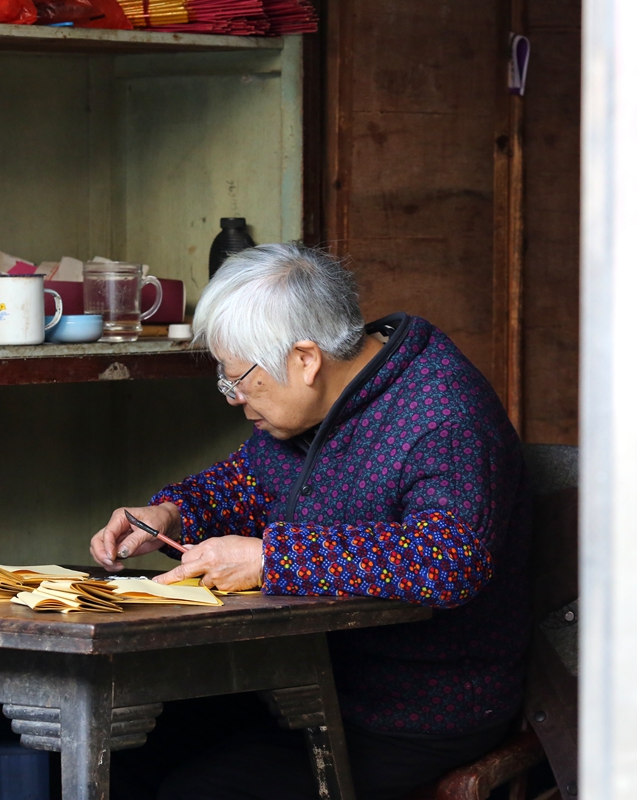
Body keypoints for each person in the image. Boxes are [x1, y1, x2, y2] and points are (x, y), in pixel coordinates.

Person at [90, 243, 530, 800]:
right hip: (295, 682)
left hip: (415, 711)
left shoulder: (444, 414)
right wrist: (171, 511)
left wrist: (270, 559)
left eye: (239, 380)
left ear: (304, 358)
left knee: (198, 793)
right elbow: (248, 483)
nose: (233, 399)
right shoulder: (312, 405)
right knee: (115, 753)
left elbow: (448, 558)